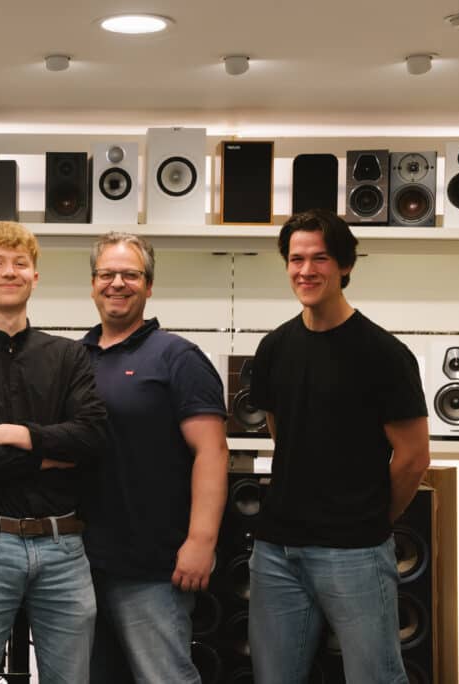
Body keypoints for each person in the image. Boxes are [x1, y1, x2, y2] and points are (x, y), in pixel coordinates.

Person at [247, 209, 430, 683]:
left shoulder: (384, 354)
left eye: (320, 258)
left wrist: (370, 521)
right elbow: (280, 429)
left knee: (376, 677)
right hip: (277, 551)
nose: (306, 270)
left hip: (354, 552)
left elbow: (413, 458)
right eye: (296, 258)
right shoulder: (274, 348)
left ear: (346, 266)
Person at [0, 221, 109, 684]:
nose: (9, 272)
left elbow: (91, 440)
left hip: (64, 548)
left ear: (35, 276)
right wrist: (50, 451)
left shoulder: (70, 357)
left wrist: (13, 434)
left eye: (20, 263)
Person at [80, 232, 229, 684]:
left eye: (131, 274)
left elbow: (213, 452)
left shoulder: (177, 357)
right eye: (107, 274)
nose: (117, 283)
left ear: (148, 286)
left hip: (153, 567)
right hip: (80, 565)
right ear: (92, 284)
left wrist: (201, 542)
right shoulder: (74, 357)